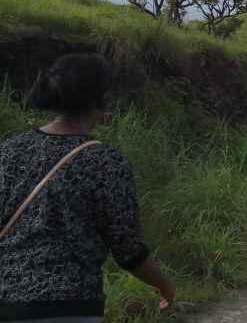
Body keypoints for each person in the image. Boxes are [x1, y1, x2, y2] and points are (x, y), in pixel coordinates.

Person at [0, 53, 176, 321]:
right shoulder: (104, 161)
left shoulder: (9, 150)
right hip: (70, 306)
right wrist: (165, 286)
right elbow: (128, 250)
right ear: (100, 100)